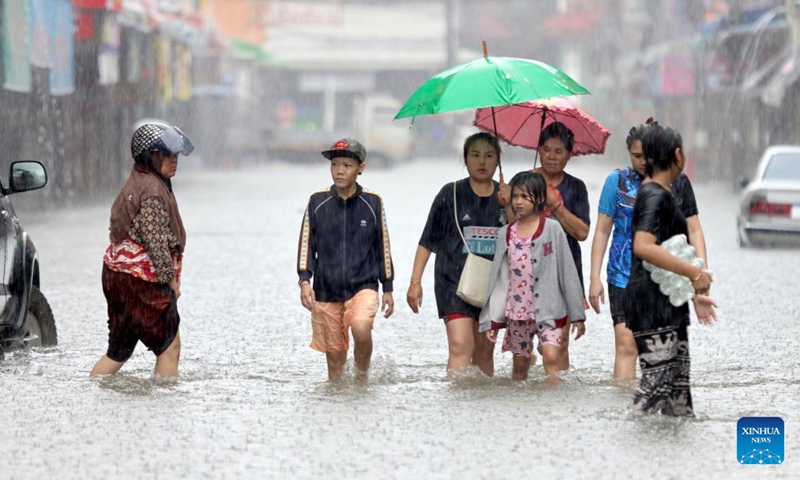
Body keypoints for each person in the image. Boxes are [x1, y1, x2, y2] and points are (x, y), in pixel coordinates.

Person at [588, 119, 709, 380]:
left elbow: (694, 229)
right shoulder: (616, 182)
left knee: (662, 348)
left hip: (666, 276)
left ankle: (653, 403)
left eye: (649, 155)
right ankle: (625, 406)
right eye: (636, 156)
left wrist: (700, 272)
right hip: (622, 274)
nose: (643, 162)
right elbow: (601, 230)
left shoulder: (678, 184)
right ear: (628, 152)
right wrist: (594, 277)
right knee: (626, 344)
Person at [623, 124, 718, 416]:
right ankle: (621, 455)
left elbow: (669, 252)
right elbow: (644, 246)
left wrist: (694, 293)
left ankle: (675, 460)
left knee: (678, 397)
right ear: (677, 155)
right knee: (652, 393)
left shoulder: (661, 193)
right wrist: (693, 272)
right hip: (652, 306)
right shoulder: (654, 195)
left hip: (667, 302)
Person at [90, 123, 194, 378]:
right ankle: (163, 408)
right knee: (170, 347)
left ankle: (92, 392)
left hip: (117, 277)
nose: (174, 160)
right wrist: (172, 283)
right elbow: (156, 242)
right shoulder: (153, 191)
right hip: (142, 283)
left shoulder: (137, 182)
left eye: (176, 154)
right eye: (167, 154)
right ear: (150, 156)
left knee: (118, 351)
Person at [406, 132, 506, 377]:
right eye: (475, 155)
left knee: (484, 351)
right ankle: (456, 403)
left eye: (489, 156)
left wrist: (511, 204)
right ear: (465, 159)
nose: (482, 162)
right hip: (453, 280)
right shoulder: (449, 194)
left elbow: (524, 239)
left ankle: (481, 409)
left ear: (498, 161)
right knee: (461, 344)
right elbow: (427, 241)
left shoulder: (509, 196)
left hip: (494, 285)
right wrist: (415, 282)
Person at [297, 138, 394, 382]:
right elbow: (306, 243)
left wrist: (388, 288)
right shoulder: (317, 201)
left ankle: (362, 377)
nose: (340, 171)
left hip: (364, 284)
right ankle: (338, 404)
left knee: (361, 327)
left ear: (361, 168)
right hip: (326, 288)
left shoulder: (373, 202)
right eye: (335, 165)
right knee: (335, 366)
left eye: (347, 166)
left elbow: (383, 245)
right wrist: (304, 280)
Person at [479, 171, 585, 382]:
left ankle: (552, 405)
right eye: (515, 196)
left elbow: (567, 271)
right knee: (520, 366)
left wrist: (577, 314)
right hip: (518, 311)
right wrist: (490, 319)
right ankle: (520, 408)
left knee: (551, 356)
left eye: (525, 197)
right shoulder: (506, 233)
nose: (518, 202)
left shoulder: (553, 229)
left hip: (549, 309)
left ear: (539, 199)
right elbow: (497, 279)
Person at [506, 122, 590, 372]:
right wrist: (507, 200)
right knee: (521, 351)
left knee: (557, 346)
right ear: (538, 149)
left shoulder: (576, 187)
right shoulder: (521, 182)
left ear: (570, 154)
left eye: (559, 151)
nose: (552, 156)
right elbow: (510, 229)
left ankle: (557, 398)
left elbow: (582, 233)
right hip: (524, 275)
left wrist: (556, 206)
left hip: (563, 273)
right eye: (546, 149)